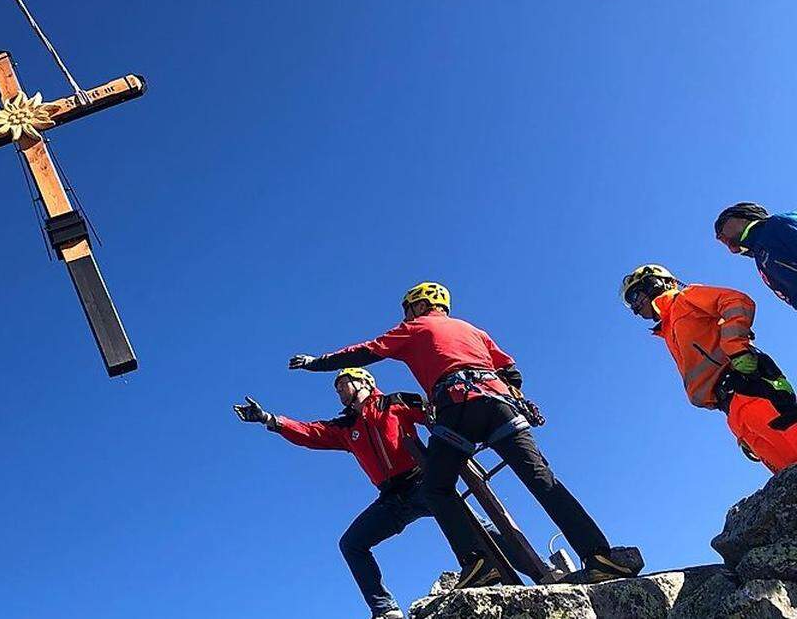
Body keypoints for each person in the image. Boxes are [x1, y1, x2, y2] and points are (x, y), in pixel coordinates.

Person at [289, 282, 638, 588]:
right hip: (499, 405)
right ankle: (598, 556)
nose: (408, 317)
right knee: (541, 479)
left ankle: (478, 566)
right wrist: (516, 396)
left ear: (422, 306)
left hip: (456, 410)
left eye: (410, 310)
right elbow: (510, 370)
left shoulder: (414, 329)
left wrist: (315, 362)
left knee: (437, 489)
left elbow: (363, 351)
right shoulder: (472, 329)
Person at [233, 368, 534, 618]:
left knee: (478, 527)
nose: (338, 391)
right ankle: (385, 610)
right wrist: (270, 420)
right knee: (352, 543)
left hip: (423, 482)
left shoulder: (396, 402)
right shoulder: (345, 425)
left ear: (365, 382)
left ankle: (533, 569)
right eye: (336, 388)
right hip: (391, 498)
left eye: (343, 383)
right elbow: (310, 433)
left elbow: (436, 415)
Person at [620, 264, 797, 473]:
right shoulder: (667, 331)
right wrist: (740, 431)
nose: (635, 307)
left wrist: (736, 347)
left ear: (655, 283)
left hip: (749, 385)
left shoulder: (685, 299)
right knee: (785, 472)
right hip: (732, 408)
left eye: (635, 295)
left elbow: (736, 300)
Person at [713, 202, 797, 311]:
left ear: (744, 217)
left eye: (722, 225)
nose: (721, 237)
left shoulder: (776, 224)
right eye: (720, 239)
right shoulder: (761, 259)